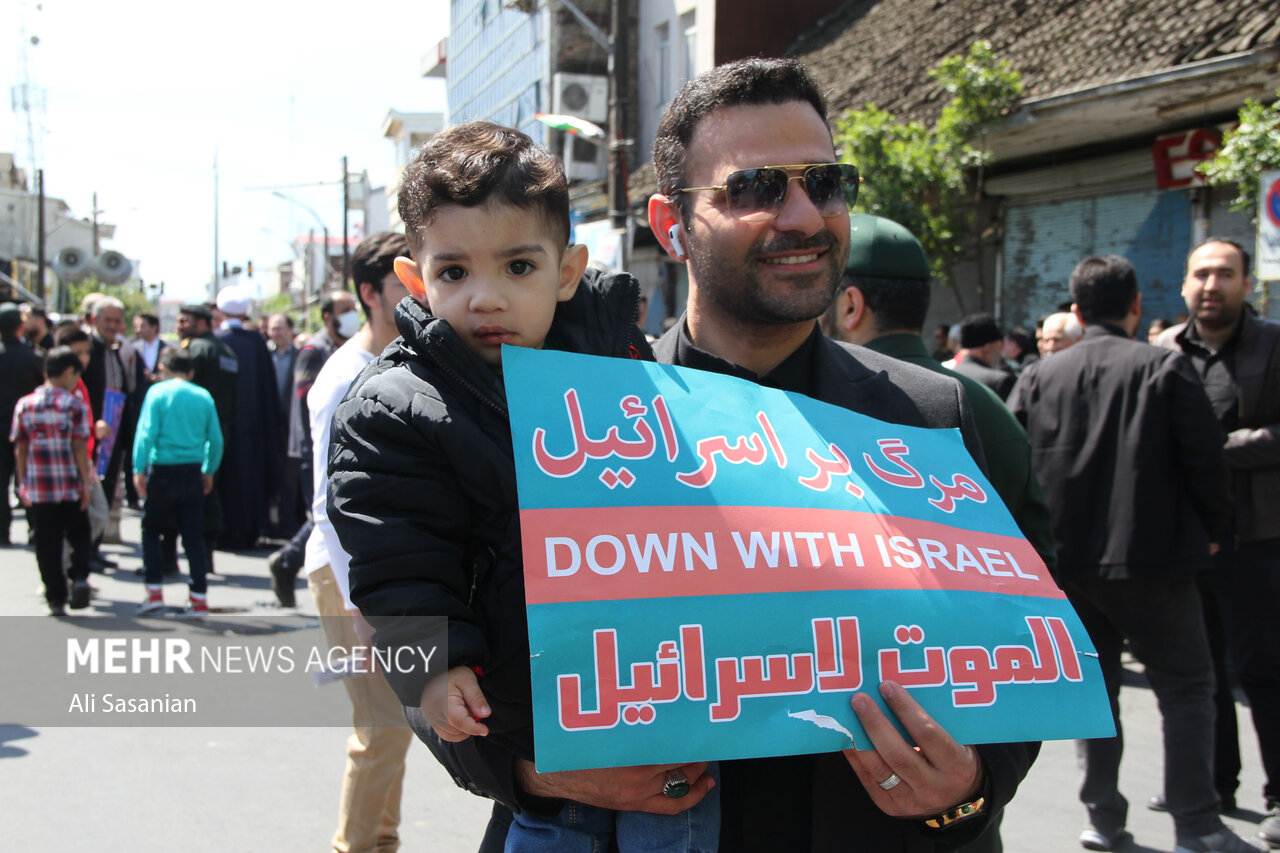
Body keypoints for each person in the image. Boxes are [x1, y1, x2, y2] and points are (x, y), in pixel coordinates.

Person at [326, 124, 710, 852]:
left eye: (518, 266)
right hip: (538, 736)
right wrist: (437, 667)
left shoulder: (620, 362)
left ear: (567, 272)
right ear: (414, 280)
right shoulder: (395, 407)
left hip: (671, 717)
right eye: (454, 273)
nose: (486, 297)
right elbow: (399, 562)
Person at [1008, 255, 1262, 853]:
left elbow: (1011, 467)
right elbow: (1206, 461)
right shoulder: (1164, 369)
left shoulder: (1040, 376)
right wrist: (1216, 529)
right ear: (1136, 306)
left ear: (1076, 310)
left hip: (1065, 566)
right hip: (1155, 560)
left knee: (1095, 697)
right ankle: (1196, 824)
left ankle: (1102, 817)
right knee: (1186, 689)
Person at [1155, 238, 1280, 848]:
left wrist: (1216, 448)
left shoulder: (1273, 344)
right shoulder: (1161, 352)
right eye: (1201, 273)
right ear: (1183, 285)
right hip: (1189, 540)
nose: (1212, 285)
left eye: (1225, 274)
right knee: (1201, 674)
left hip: (1258, 537)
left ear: (1246, 283)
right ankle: (1213, 784)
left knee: (1262, 670)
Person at [299, 233, 417, 853]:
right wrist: (356, 602)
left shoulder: (408, 360)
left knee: (396, 726)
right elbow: (327, 504)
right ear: (370, 294)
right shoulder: (344, 376)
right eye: (402, 280)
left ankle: (380, 841)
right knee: (382, 726)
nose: (419, 288)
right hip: (351, 577)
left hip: (391, 571)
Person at [266, 288, 359, 606]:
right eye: (344, 308)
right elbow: (308, 400)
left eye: (352, 307)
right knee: (325, 510)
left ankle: (289, 561)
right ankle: (290, 561)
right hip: (313, 446)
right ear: (327, 316)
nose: (351, 314)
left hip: (338, 444)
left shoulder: (342, 346)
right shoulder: (314, 349)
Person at [133, 346, 223, 619]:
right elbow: (216, 439)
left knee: (151, 530)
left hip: (161, 469)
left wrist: (138, 468)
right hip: (193, 471)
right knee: (193, 536)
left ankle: (154, 592)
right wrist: (209, 470)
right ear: (191, 372)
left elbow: (146, 434)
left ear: (163, 369)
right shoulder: (203, 395)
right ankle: (199, 599)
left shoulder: (157, 393)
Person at [9, 345, 94, 615]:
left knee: (46, 543)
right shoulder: (74, 404)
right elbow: (79, 447)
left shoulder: (25, 405)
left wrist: (23, 483)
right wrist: (85, 483)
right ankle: (78, 576)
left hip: (39, 486)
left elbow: (20, 448)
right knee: (79, 532)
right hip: (68, 483)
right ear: (69, 373)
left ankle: (55, 598)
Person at [213, 286, 280, 550]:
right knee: (250, 477)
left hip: (221, 425)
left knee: (224, 477)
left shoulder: (216, 341)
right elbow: (268, 390)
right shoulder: (257, 344)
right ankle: (250, 529)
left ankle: (222, 530)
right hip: (253, 427)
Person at [0, 302, 44, 545]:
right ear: (20, 326)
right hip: (29, 430)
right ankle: (34, 529)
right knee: (28, 479)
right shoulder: (34, 357)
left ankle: (1, 531)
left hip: (0, 429)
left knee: (1, 481)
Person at [266, 312, 302, 539]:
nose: (276, 333)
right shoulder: (265, 356)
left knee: (291, 478)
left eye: (280, 328)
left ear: (290, 330)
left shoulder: (300, 357)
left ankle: (289, 524)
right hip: (269, 425)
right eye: (272, 329)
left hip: (291, 425)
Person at [950, 314, 1015, 400]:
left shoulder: (948, 376)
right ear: (988, 347)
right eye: (1000, 346)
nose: (1001, 352)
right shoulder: (1000, 381)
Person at [131, 312, 166, 383]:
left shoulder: (166, 348)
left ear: (154, 327)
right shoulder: (134, 347)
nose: (138, 330)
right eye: (137, 327)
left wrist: (158, 377)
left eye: (142, 326)